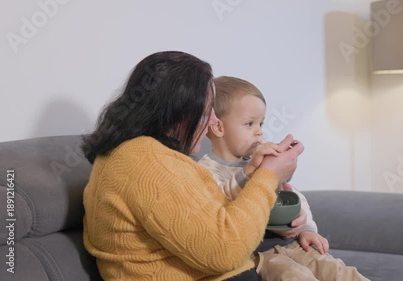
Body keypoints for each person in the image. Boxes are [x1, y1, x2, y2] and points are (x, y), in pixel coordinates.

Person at [81, 51, 304, 281]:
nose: (214, 122)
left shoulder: (138, 153)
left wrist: (254, 174)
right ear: (180, 112)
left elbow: (211, 219)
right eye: (208, 111)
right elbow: (224, 251)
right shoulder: (148, 162)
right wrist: (268, 175)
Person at [198, 76, 370, 281]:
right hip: (259, 255)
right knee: (296, 276)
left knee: (341, 273)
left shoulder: (262, 159)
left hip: (293, 243)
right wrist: (252, 172)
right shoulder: (205, 171)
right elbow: (221, 203)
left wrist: (305, 228)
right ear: (218, 127)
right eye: (249, 124)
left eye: (261, 123)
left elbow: (292, 195)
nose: (259, 131)